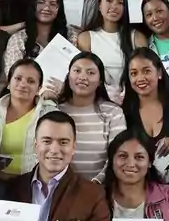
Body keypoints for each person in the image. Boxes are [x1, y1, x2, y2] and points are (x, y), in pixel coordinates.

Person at [47, 52, 126, 181]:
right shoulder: (55, 111)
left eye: (90, 73)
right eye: (77, 71)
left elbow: (118, 155)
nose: (83, 77)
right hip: (59, 187)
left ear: (100, 81)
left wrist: (95, 185)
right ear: (68, 76)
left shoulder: (113, 113)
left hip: (100, 189)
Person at [0, 58, 54, 178]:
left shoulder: (50, 114)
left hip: (34, 183)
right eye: (18, 79)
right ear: (8, 83)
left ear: (39, 88)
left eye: (31, 81)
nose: (23, 84)